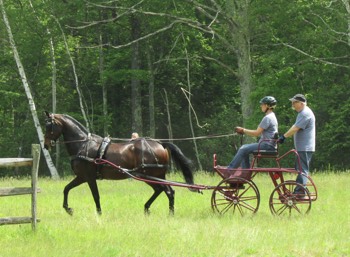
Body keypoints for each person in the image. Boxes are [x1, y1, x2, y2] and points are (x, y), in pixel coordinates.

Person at [228, 96, 278, 171]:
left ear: (267, 106)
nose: (261, 106)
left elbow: (256, 133)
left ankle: (230, 170)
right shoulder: (272, 116)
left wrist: (243, 130)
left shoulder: (267, 118)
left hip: (267, 145)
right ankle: (245, 172)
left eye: (262, 104)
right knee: (244, 149)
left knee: (243, 149)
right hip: (269, 145)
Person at [278, 94, 316, 194]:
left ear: (301, 103)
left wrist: (283, 137)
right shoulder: (303, 113)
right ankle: (301, 189)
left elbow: (295, 128)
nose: (293, 104)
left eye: (295, 102)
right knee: (300, 169)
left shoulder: (305, 113)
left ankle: (299, 191)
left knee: (302, 170)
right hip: (303, 147)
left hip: (305, 147)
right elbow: (295, 126)